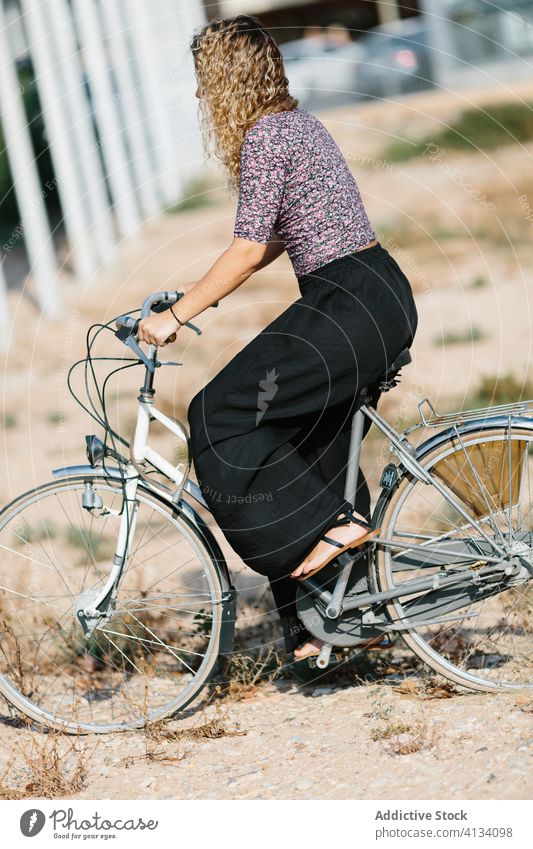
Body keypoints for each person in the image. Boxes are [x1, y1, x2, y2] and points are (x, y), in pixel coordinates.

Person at [137, 15, 418, 661]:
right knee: (307, 442)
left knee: (219, 411)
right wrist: (182, 293)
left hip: (347, 303)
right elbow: (267, 241)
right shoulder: (299, 125)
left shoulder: (267, 136)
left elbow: (241, 252)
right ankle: (325, 631)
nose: (202, 97)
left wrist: (174, 317)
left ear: (226, 81)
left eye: (206, 82)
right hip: (375, 293)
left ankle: (339, 525)